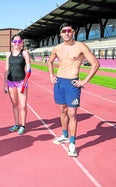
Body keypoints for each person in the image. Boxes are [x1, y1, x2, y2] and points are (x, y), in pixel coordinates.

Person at [48, 22, 100, 157]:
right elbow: (50, 61)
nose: (66, 33)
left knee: (72, 114)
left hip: (72, 83)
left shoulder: (80, 46)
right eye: (64, 31)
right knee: (62, 110)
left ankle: (72, 143)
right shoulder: (57, 48)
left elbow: (95, 64)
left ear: (73, 32)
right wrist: (51, 75)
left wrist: (84, 81)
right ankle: (64, 135)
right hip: (59, 82)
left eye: (69, 31)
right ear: (60, 34)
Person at [3, 33, 31, 135]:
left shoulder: (24, 53)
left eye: (19, 41)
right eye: (15, 41)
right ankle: (16, 124)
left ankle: (23, 125)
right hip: (11, 82)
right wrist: (4, 84)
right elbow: (6, 70)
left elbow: (28, 67)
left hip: (21, 82)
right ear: (12, 43)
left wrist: (26, 78)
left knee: (23, 106)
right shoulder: (8, 55)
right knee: (14, 104)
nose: (17, 43)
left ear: (22, 43)